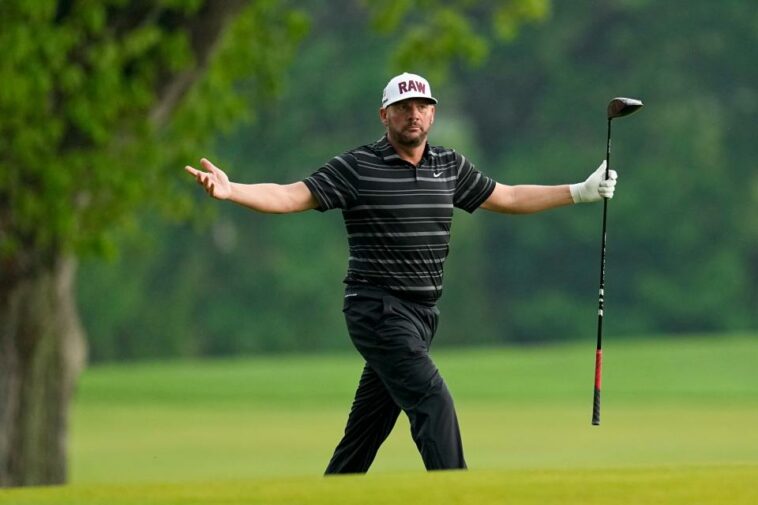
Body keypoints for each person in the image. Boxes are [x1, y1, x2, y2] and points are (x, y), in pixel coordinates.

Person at [184, 72, 617, 474]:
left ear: (433, 113)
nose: (414, 114)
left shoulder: (448, 165)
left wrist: (578, 192)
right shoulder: (357, 166)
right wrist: (232, 190)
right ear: (385, 114)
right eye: (404, 106)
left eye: (422, 106)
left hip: (421, 315)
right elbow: (291, 195)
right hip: (377, 310)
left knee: (366, 432)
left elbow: (508, 196)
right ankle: (459, 496)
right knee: (433, 401)